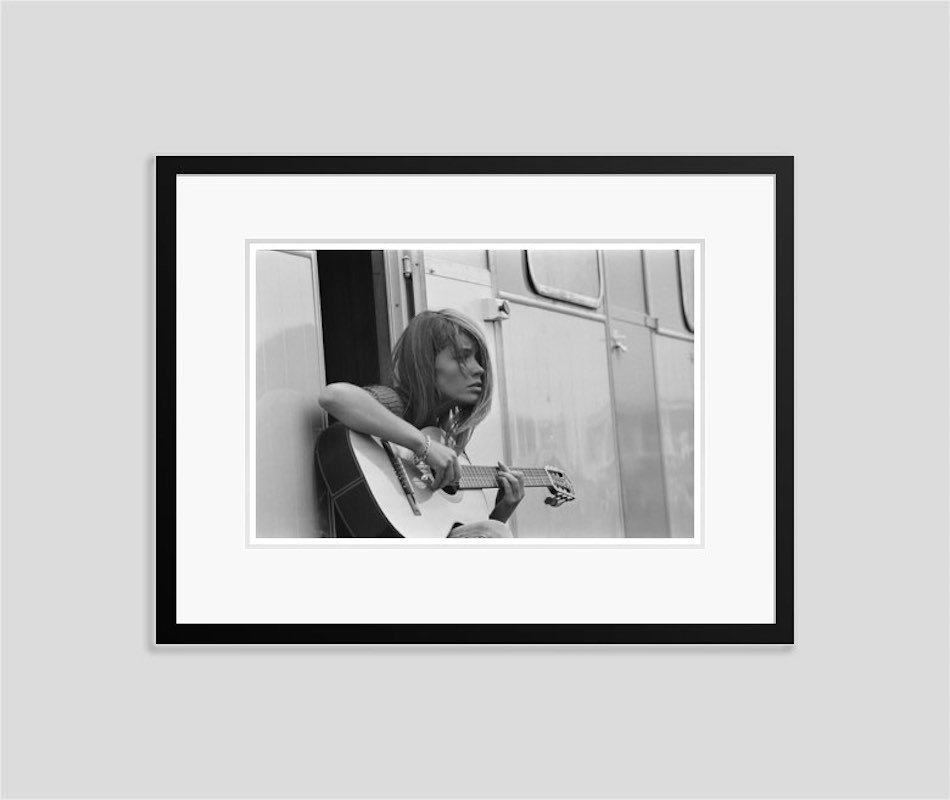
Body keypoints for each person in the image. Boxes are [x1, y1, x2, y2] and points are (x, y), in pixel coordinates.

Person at [318, 308, 525, 537]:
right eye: (462, 357)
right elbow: (334, 396)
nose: (479, 369)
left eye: (478, 359)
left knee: (495, 530)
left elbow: (441, 529)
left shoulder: (440, 434)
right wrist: (425, 447)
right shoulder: (399, 405)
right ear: (426, 363)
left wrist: (501, 512)